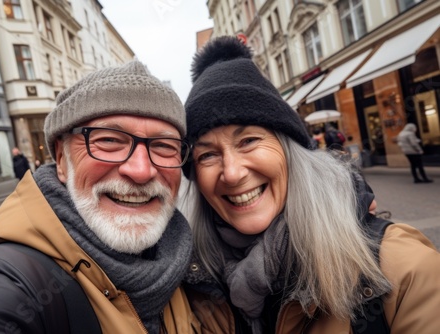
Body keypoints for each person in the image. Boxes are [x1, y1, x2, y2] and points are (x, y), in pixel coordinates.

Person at [182, 36, 440, 333]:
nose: (232, 173)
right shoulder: (194, 286)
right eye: (207, 155)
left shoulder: (402, 270)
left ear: (292, 153)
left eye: (249, 141)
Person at [0, 61, 201, 333]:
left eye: (163, 146)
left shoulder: (193, 270)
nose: (141, 171)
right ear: (62, 159)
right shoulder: (14, 285)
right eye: (109, 140)